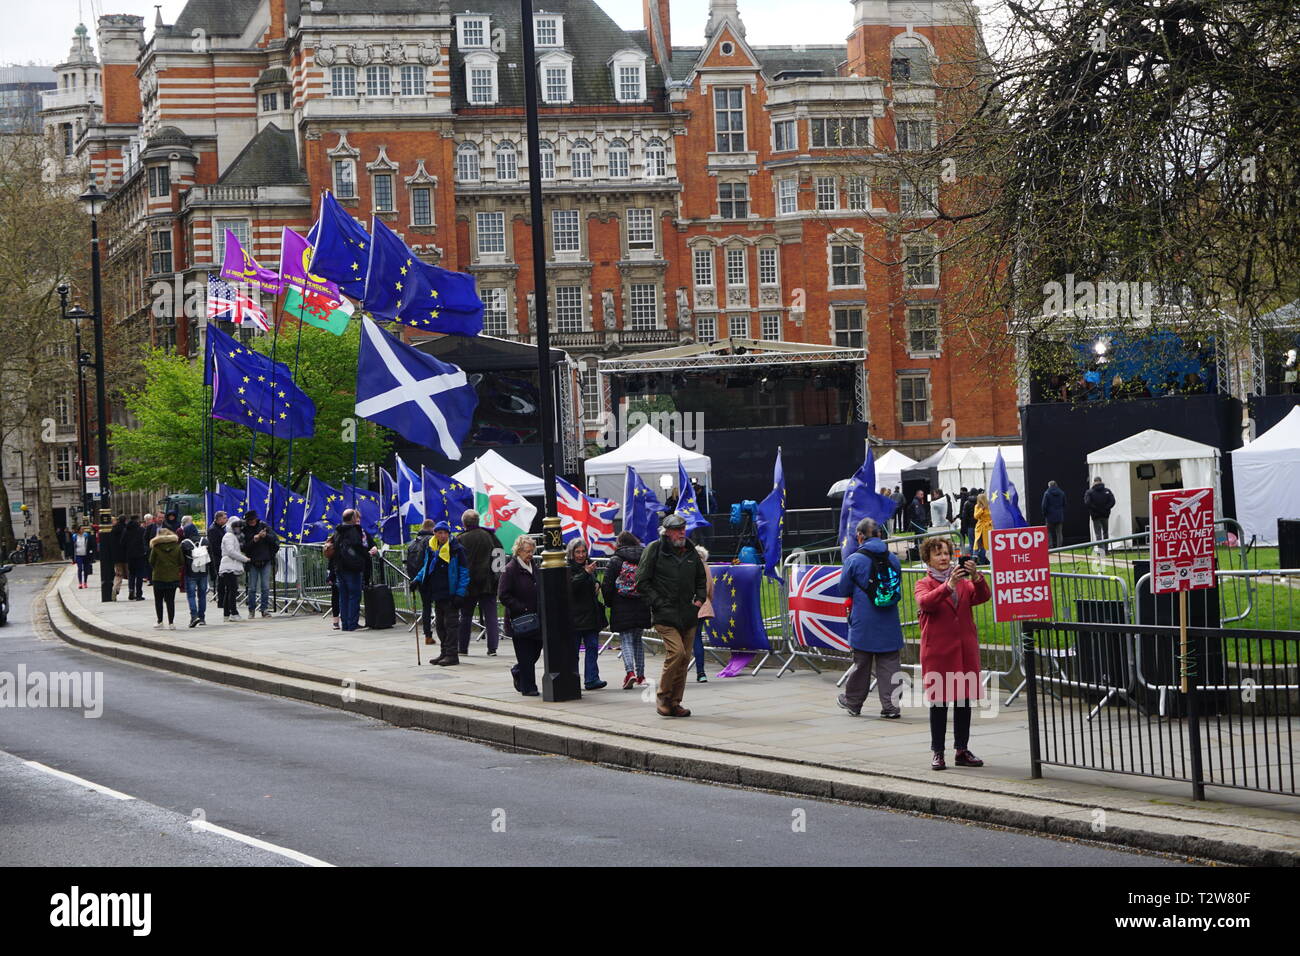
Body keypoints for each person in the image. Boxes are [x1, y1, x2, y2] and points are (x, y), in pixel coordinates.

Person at [915, 536, 989, 770]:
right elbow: (926, 603)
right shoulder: (923, 583)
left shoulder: (964, 583)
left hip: (963, 650)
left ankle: (961, 749)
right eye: (938, 554)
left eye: (947, 553)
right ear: (928, 559)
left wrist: (976, 577)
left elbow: (983, 596)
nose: (944, 558)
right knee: (939, 704)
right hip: (938, 651)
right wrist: (948, 587)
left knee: (963, 702)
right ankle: (937, 751)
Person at [636, 513, 707, 718]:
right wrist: (658, 602)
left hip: (688, 614)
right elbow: (642, 582)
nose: (682, 532)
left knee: (684, 660)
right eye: (677, 529)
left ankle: (675, 702)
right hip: (665, 615)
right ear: (666, 532)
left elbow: (701, 578)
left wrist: (699, 600)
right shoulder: (654, 550)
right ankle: (663, 696)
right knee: (677, 653)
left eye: (683, 528)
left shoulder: (691, 551)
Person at [836, 517, 905, 719]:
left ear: (859, 536)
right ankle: (891, 707)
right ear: (880, 535)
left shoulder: (854, 560)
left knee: (861, 663)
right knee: (890, 663)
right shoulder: (893, 559)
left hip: (864, 620)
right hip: (889, 618)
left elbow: (844, 589)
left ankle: (853, 702)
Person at [413, 520, 469, 664]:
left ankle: (452, 655)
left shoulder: (457, 549)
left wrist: (460, 593)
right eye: (439, 532)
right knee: (440, 625)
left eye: (445, 532)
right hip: (437, 592)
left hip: (451, 593)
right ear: (435, 533)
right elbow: (426, 567)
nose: (442, 535)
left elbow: (464, 572)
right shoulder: (431, 548)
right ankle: (444, 652)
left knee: (451, 625)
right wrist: (417, 579)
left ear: (448, 533)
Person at [602, 530, 651, 689]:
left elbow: (607, 584)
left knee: (626, 640)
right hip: (641, 602)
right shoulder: (645, 557)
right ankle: (641, 675)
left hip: (622, 603)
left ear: (620, 543)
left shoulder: (616, 560)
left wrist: (610, 602)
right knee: (638, 640)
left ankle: (630, 673)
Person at [456, 510, 503, 657]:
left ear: (464, 523)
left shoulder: (460, 539)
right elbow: (500, 554)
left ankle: (462, 648)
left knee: (466, 615)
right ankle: (492, 648)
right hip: (488, 582)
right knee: (491, 615)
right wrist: (497, 575)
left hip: (468, 583)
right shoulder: (489, 536)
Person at [499, 536, 541, 696]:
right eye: (527, 551)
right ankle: (529, 687)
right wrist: (520, 608)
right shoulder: (510, 569)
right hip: (520, 620)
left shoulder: (534, 567)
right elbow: (503, 594)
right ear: (518, 551)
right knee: (525, 654)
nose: (530, 554)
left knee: (536, 650)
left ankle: (518, 671)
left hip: (536, 619)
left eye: (532, 551)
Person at [566, 538, 607, 690]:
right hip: (575, 616)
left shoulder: (588, 566)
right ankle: (573, 678)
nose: (581, 555)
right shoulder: (568, 567)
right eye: (577, 552)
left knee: (592, 647)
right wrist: (585, 573)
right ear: (572, 553)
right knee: (574, 651)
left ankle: (591, 678)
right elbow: (572, 585)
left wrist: (597, 583)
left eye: (583, 551)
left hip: (590, 614)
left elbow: (591, 581)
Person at [330, 509, 369, 632]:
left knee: (343, 596)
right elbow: (360, 546)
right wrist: (365, 556)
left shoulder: (337, 531)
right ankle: (352, 623)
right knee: (354, 595)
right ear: (352, 518)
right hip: (353, 567)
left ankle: (345, 624)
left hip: (339, 567)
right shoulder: (354, 530)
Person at [405, 519, 437, 645]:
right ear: (432, 528)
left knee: (426, 607)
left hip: (418, 580)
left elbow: (409, 563)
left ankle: (427, 634)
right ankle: (442, 634)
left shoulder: (413, 543)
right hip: (430, 578)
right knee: (440, 606)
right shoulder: (431, 541)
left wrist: (414, 579)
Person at [241, 510, 279, 618]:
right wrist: (254, 540)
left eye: (253, 520)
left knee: (265, 587)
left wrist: (265, 536)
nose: (252, 522)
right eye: (249, 520)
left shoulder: (264, 526)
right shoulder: (245, 530)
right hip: (252, 561)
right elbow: (244, 547)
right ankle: (251, 610)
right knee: (252, 588)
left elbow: (275, 541)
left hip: (265, 560)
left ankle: (264, 609)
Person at [147, 523, 183, 630]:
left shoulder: (156, 547)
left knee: (158, 601)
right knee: (170, 601)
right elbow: (181, 561)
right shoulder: (177, 547)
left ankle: (160, 621)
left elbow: (151, 561)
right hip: (173, 578)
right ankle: (171, 623)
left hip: (158, 577)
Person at [218, 517, 249, 621]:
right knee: (232, 589)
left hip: (230, 565)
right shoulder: (229, 536)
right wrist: (244, 559)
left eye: (239, 526)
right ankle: (233, 612)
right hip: (228, 566)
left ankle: (227, 614)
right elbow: (231, 551)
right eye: (235, 526)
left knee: (230, 590)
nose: (238, 528)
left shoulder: (231, 536)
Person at [180, 526, 210, 627]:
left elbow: (181, 560)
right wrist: (213, 572)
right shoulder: (205, 541)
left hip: (191, 571)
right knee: (202, 595)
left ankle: (194, 616)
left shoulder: (185, 543)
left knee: (191, 595)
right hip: (203, 570)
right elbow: (212, 557)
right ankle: (202, 618)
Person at [693, 545, 714, 683]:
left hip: (687, 604)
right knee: (697, 638)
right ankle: (701, 672)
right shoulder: (705, 566)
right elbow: (710, 587)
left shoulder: (687, 564)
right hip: (703, 604)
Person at [1084, 477, 1116, 549]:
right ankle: (1106, 550)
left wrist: (1095, 509)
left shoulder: (1089, 492)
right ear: (1101, 481)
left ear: (1094, 482)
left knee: (1098, 534)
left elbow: (1087, 503)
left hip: (1095, 515)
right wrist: (1106, 508)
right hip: (1105, 514)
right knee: (1105, 532)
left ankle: (1101, 552)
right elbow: (1113, 502)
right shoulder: (1107, 491)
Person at [125, 515, 148, 600]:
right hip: (140, 555)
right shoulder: (141, 530)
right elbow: (144, 541)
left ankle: (131, 590)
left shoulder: (127, 530)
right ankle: (138, 594)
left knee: (131, 574)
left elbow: (122, 542)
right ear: (137, 520)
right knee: (139, 574)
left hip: (130, 555)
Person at [1041, 480, 1067, 549]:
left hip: (1049, 516)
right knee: (1059, 532)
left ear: (1049, 485)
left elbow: (1044, 506)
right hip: (1059, 515)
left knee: (1048, 532)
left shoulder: (1047, 493)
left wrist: (1045, 514)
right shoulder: (1062, 493)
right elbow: (1064, 504)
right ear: (1056, 485)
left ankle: (1050, 546)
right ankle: (1060, 547)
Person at [107, 515, 128, 600]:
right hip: (126, 556)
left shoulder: (113, 530)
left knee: (118, 574)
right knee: (131, 574)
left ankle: (115, 589)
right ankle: (132, 591)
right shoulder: (126, 530)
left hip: (116, 557)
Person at [207, 511, 227, 596]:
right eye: (224, 518)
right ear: (219, 519)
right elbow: (214, 546)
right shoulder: (213, 529)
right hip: (217, 558)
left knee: (223, 579)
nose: (226, 519)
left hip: (221, 557)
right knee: (221, 579)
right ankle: (221, 598)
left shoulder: (220, 528)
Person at [70, 525, 96, 589]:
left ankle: (85, 582)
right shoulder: (74, 537)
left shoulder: (87, 536)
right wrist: (73, 558)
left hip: (86, 555)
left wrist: (91, 554)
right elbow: (72, 547)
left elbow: (91, 545)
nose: (83, 530)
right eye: (81, 529)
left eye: (83, 529)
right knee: (80, 568)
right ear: (78, 530)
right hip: (78, 555)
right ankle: (80, 583)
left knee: (85, 569)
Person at [973, 492, 992, 564]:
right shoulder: (977, 506)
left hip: (988, 527)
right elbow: (975, 516)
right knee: (977, 543)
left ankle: (986, 560)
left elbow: (992, 516)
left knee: (986, 544)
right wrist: (981, 509)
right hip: (980, 527)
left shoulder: (989, 506)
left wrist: (990, 522)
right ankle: (976, 559)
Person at [959, 488, 977, 552]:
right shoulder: (980, 502)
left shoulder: (967, 503)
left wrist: (965, 526)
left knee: (971, 543)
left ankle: (973, 558)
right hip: (979, 526)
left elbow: (964, 516)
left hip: (970, 526)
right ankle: (981, 559)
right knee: (980, 543)